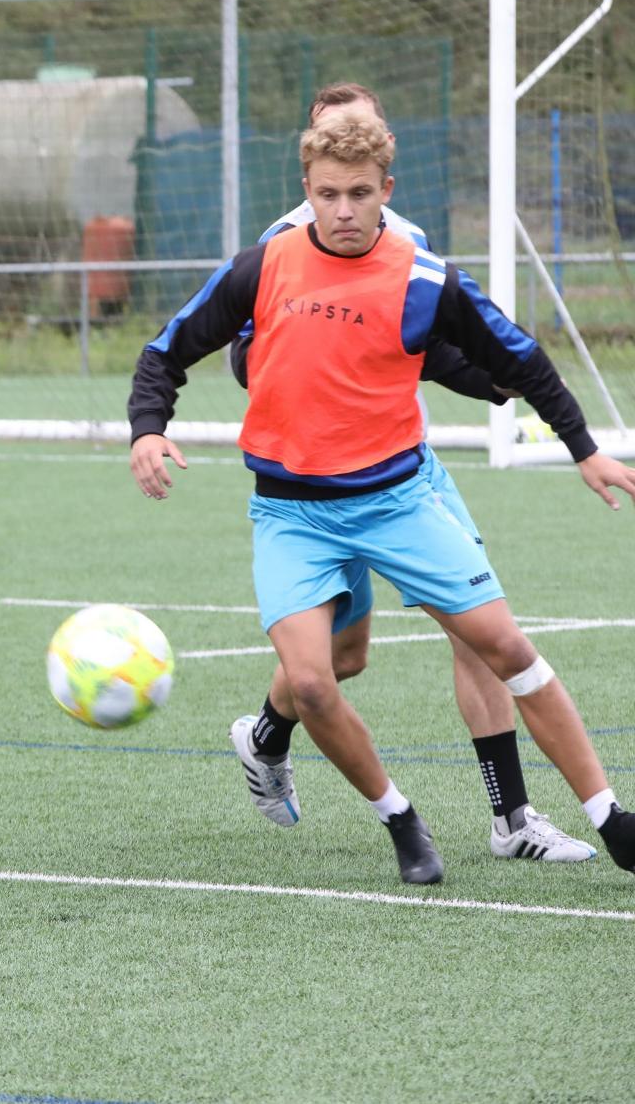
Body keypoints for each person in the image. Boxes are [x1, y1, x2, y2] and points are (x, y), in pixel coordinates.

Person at [128, 113, 635, 885]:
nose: (342, 210)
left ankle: (612, 819)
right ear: (307, 191)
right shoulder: (263, 265)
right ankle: (401, 821)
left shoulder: (426, 277)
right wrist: (147, 430)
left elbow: (522, 360)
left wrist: (585, 449)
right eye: (327, 194)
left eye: (358, 194)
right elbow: (168, 350)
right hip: (291, 514)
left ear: (385, 192)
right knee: (314, 680)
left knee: (505, 648)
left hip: (398, 502)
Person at [227, 82, 596, 864]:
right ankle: (267, 734)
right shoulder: (279, 249)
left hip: (405, 474)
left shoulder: (407, 242)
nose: (347, 180)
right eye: (333, 138)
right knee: (341, 661)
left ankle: (513, 818)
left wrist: (488, 380)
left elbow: (424, 348)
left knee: (478, 631)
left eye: (365, 135)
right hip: (310, 486)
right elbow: (245, 357)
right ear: (311, 158)